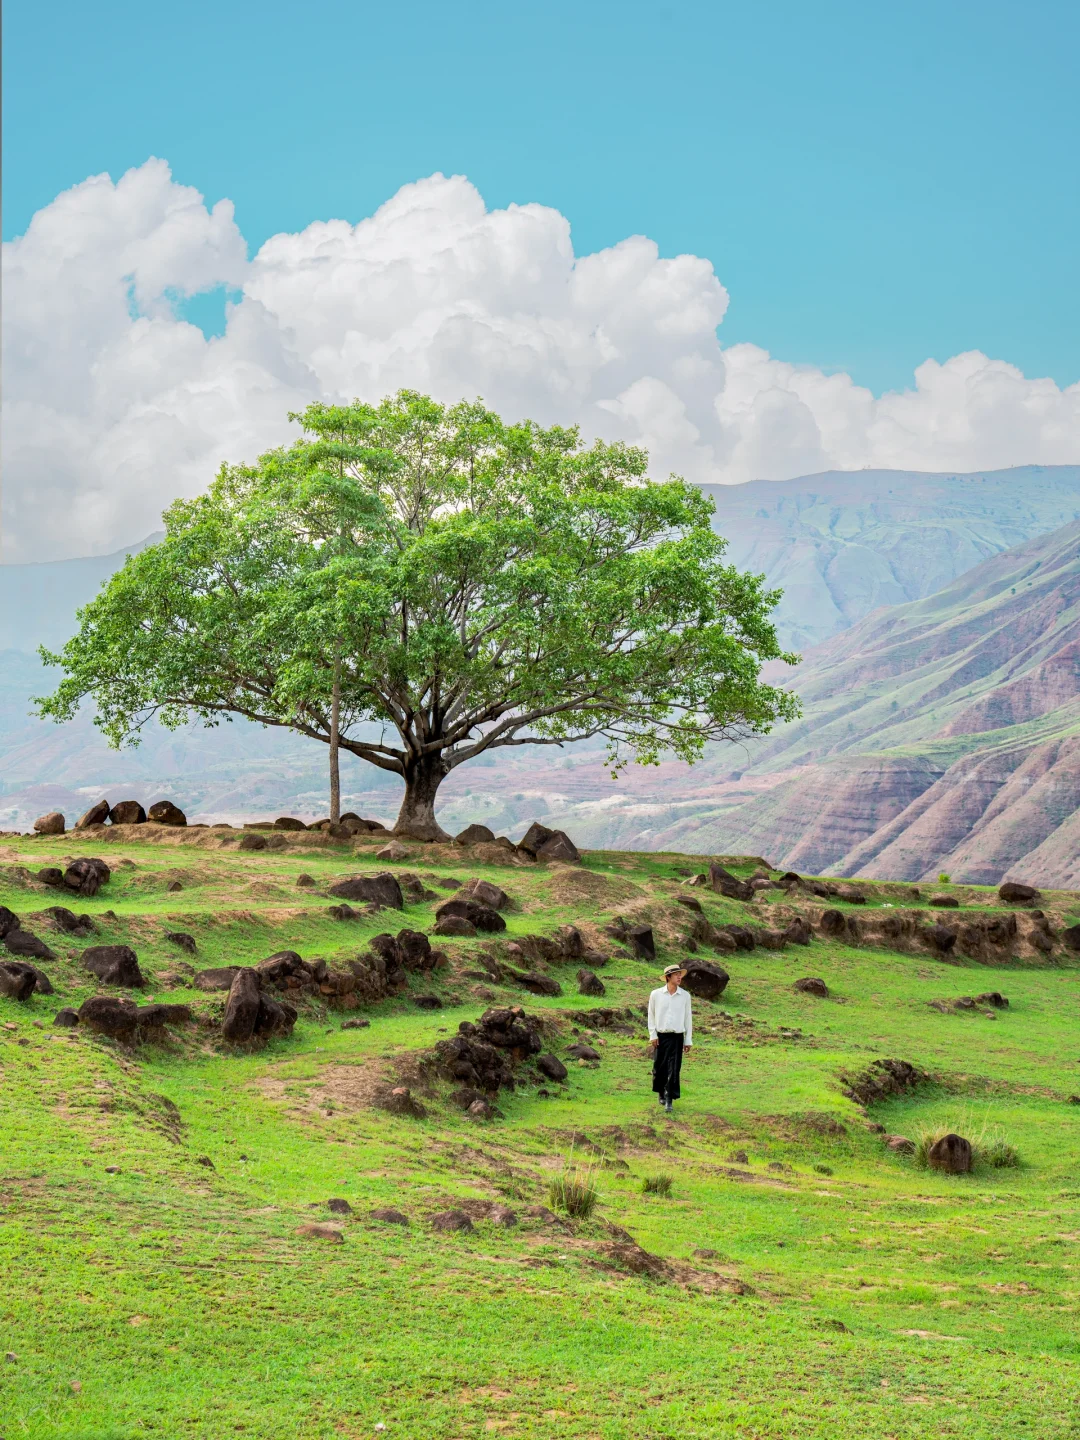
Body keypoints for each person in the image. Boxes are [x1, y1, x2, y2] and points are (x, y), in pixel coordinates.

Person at [648, 963, 692, 1113]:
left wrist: (688, 1040)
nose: (679, 977)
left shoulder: (685, 996)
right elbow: (651, 1015)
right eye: (676, 975)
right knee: (660, 1066)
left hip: (677, 1037)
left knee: (674, 1068)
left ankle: (669, 1099)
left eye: (680, 974)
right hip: (660, 1036)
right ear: (668, 977)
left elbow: (688, 1019)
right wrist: (652, 1035)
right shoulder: (656, 994)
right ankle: (661, 1092)